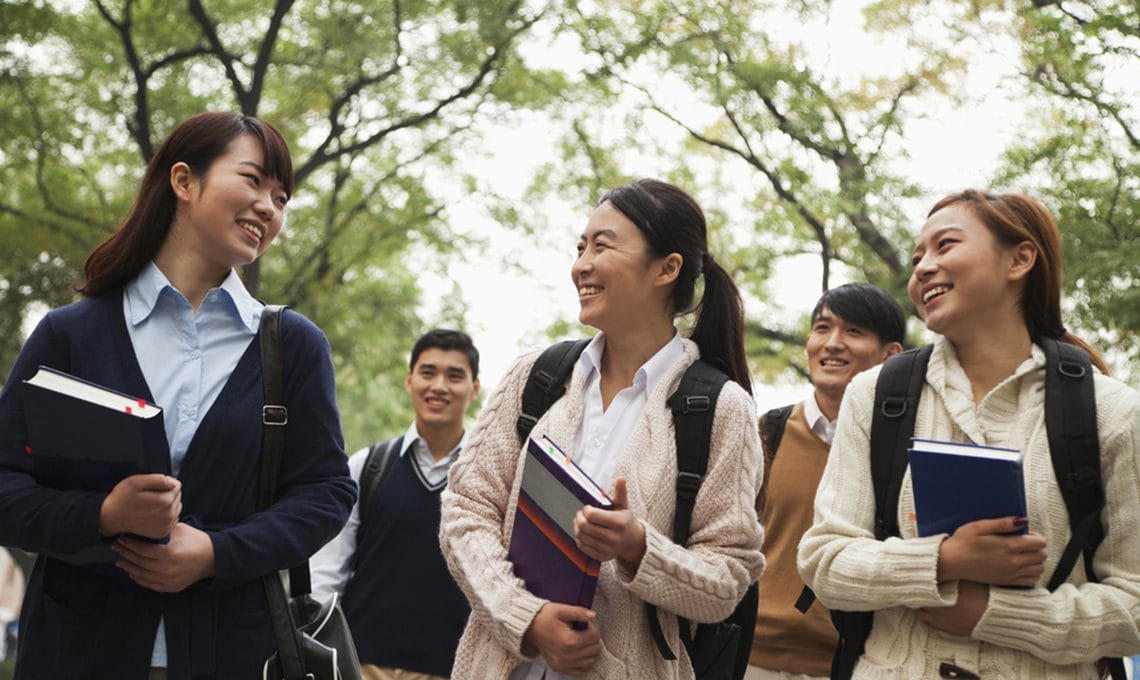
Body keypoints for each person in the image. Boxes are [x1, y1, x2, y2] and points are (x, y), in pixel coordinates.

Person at [0, 112, 357, 679]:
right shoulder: (70, 335)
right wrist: (103, 514)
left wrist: (217, 553)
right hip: (77, 651)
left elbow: (326, 491)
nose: (270, 206)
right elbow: (5, 487)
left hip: (235, 654)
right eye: (253, 180)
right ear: (183, 181)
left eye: (282, 197)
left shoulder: (293, 346)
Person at [797, 189, 1140, 678]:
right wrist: (942, 560)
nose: (922, 268)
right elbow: (825, 562)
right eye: (917, 257)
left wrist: (994, 615)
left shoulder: (1112, 411)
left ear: (1020, 259)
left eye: (944, 246)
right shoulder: (875, 395)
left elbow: (1134, 605)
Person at [439, 178, 765, 680]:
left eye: (602, 245)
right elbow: (465, 510)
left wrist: (638, 547)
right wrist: (527, 620)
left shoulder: (720, 407)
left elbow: (727, 579)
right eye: (580, 247)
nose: (581, 265)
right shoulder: (537, 377)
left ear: (667, 268)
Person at [747, 283, 904, 680]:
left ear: (891, 355)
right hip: (749, 659)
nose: (833, 343)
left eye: (854, 332)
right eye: (822, 328)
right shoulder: (768, 432)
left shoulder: (901, 453)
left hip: (849, 665)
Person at [311, 328, 481, 680]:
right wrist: (319, 648)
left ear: (474, 388)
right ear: (409, 380)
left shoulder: (489, 477)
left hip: (455, 669)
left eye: (455, 375)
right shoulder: (367, 467)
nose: (439, 386)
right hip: (362, 665)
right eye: (428, 372)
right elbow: (327, 573)